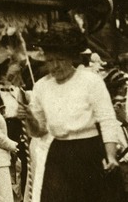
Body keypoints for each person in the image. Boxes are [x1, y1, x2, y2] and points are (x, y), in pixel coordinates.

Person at [17, 21, 123, 202]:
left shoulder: (91, 81)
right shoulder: (42, 86)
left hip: (89, 152)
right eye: (50, 60)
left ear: (72, 57)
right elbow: (39, 131)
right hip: (59, 154)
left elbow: (107, 120)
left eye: (60, 60)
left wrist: (111, 155)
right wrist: (29, 118)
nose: (55, 66)